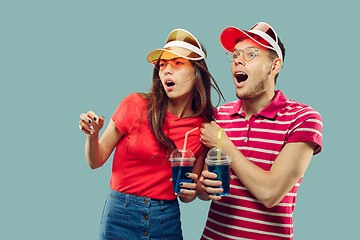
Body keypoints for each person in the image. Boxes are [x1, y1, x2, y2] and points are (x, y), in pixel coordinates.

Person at [79, 29, 223, 240]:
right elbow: (95, 161)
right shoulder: (135, 105)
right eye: (162, 65)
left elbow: (187, 195)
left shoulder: (203, 127)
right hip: (121, 214)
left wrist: (189, 192)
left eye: (178, 63)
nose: (166, 71)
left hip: (167, 218)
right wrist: (92, 136)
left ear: (197, 71)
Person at [198, 22, 323, 239]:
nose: (238, 59)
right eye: (235, 54)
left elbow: (270, 193)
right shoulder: (219, 116)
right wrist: (203, 187)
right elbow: (202, 188)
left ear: (274, 66)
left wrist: (224, 143)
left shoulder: (303, 118)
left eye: (251, 54)